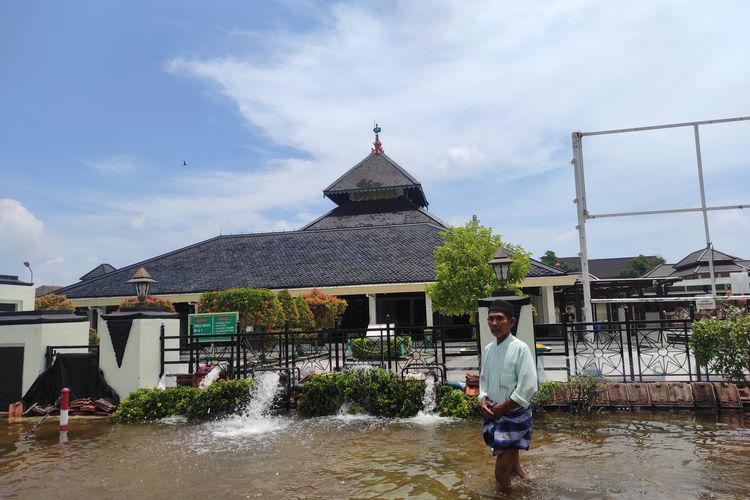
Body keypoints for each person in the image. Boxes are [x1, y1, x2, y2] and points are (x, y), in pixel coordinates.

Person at [479, 299, 538, 490]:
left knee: (501, 474)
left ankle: (507, 494)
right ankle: (530, 486)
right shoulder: (488, 350)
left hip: (514, 415)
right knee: (513, 470)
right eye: (491, 319)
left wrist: (504, 406)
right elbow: (484, 381)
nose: (494, 323)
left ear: (511, 322)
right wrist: (483, 400)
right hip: (495, 412)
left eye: (499, 319)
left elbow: (529, 385)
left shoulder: (521, 349)